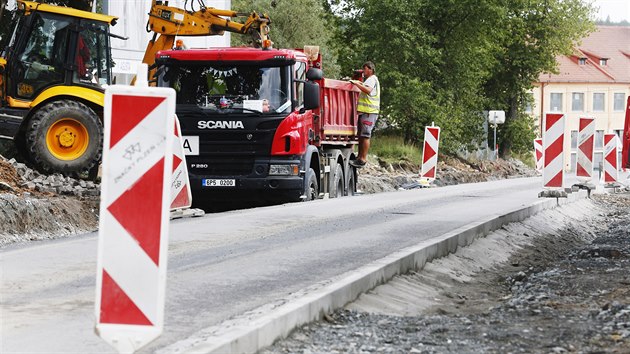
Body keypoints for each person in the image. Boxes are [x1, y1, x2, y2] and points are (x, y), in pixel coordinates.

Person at [349, 61, 380, 168]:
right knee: (362, 136)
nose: (363, 71)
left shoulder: (372, 79)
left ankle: (362, 159)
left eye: (365, 69)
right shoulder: (370, 80)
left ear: (370, 69)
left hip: (369, 112)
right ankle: (360, 157)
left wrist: (356, 83)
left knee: (365, 135)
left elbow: (368, 90)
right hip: (366, 112)